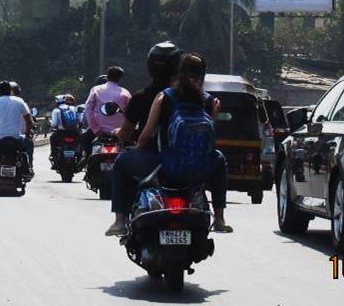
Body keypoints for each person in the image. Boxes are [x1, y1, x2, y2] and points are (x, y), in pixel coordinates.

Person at [106, 51, 232, 236]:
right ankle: (220, 218)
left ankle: (119, 221)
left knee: (121, 163)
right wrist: (213, 114)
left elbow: (146, 135)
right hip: (199, 167)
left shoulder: (164, 97)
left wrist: (137, 148)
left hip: (164, 164)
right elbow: (209, 139)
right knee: (220, 160)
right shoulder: (208, 100)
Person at [0, 80, 35, 177]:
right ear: (10, 90)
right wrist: (27, 134)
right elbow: (29, 121)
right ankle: (28, 166)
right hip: (16, 138)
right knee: (29, 144)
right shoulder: (19, 101)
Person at [81, 67, 131, 160]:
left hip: (99, 132)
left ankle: (86, 159)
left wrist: (96, 129)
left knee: (84, 139)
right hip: (120, 133)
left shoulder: (96, 90)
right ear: (120, 78)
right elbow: (131, 113)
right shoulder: (125, 93)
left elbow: (88, 109)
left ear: (107, 77)